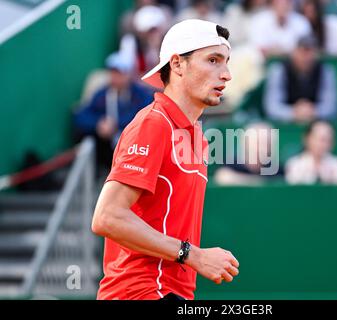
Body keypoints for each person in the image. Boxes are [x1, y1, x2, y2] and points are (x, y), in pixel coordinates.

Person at [91, 19, 239, 300]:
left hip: (168, 292)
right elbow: (107, 217)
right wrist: (192, 254)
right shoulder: (154, 123)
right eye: (213, 60)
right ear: (178, 64)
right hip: (140, 292)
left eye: (226, 62)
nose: (227, 74)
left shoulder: (195, 135)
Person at [73, 52, 155, 172]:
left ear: (128, 74)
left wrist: (116, 124)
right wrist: (99, 123)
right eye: (113, 72)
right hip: (107, 147)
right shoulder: (102, 94)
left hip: (134, 146)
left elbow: (145, 115)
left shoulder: (140, 94)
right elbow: (82, 115)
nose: (115, 77)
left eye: (120, 73)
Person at [264, 35, 337, 123]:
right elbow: (272, 107)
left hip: (316, 124)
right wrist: (293, 113)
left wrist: (313, 111)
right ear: (294, 52)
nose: (306, 57)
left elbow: (331, 106)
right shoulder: (279, 70)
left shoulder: (325, 71)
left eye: (310, 52)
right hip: (285, 126)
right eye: (302, 51)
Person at [214, 122, 281, 185]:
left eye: (267, 143)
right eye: (258, 143)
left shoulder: (276, 169)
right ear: (245, 143)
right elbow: (222, 177)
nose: (262, 148)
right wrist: (258, 181)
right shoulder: (232, 164)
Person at [284, 120, 337, 185]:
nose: (323, 144)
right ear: (306, 139)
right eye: (320, 139)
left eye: (328, 140)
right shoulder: (294, 164)